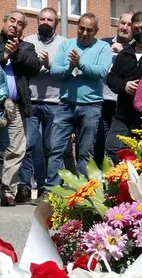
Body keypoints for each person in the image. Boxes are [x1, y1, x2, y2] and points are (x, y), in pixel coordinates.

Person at [0, 10, 41, 206]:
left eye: (20, 23)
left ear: (23, 28)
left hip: (14, 105)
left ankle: (7, 191)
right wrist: (5, 54)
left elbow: (35, 66)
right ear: (4, 22)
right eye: (11, 21)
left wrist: (15, 55)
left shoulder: (27, 47)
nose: (14, 25)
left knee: (15, 148)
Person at [48, 13, 112, 182]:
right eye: (81, 28)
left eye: (89, 30)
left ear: (96, 31)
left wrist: (81, 64)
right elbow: (55, 72)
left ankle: (83, 191)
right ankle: (52, 189)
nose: (84, 33)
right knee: (56, 149)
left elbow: (102, 71)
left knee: (85, 152)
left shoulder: (103, 47)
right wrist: (69, 67)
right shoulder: (66, 45)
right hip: (66, 105)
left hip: (91, 106)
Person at [21, 7, 65, 203]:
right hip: (31, 102)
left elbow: (67, 71)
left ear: (56, 23)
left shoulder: (64, 44)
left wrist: (49, 65)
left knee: (52, 147)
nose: (45, 22)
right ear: (37, 21)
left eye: (50, 20)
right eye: (42, 19)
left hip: (55, 103)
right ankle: (23, 187)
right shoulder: (29, 41)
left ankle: (50, 189)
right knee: (27, 146)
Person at [105, 11, 142, 161]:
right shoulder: (125, 53)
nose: (139, 32)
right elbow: (112, 78)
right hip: (123, 113)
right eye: (136, 29)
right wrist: (124, 85)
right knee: (113, 147)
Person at [97, 12, 133, 160]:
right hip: (102, 100)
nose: (125, 27)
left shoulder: (136, 49)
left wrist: (122, 52)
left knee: (118, 146)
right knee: (99, 143)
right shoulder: (103, 44)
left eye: (129, 25)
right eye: (122, 23)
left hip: (123, 104)